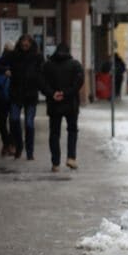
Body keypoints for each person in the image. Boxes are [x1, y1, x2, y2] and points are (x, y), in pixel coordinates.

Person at [39, 43, 84, 172]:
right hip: (71, 104)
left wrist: (52, 93)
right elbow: (79, 82)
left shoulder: (47, 65)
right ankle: (71, 158)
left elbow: (41, 82)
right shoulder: (75, 65)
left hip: (54, 104)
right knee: (72, 130)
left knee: (54, 133)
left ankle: (55, 163)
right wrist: (66, 93)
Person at [0, 34, 43, 160]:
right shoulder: (13, 55)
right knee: (13, 120)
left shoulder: (37, 57)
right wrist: (5, 70)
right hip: (16, 94)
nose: (25, 43)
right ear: (19, 43)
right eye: (23, 41)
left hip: (31, 95)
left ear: (31, 43)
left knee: (29, 124)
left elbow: (43, 74)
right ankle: (19, 145)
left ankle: (30, 152)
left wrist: (48, 91)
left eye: (27, 41)